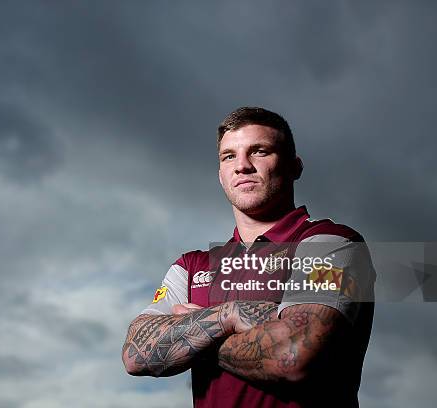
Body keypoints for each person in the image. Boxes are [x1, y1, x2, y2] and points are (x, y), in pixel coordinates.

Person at [121, 107, 376, 407]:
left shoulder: (332, 243)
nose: (242, 165)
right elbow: (136, 354)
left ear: (295, 166)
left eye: (259, 151)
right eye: (229, 156)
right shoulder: (191, 267)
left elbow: (292, 356)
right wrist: (227, 315)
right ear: (220, 175)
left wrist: (195, 328)